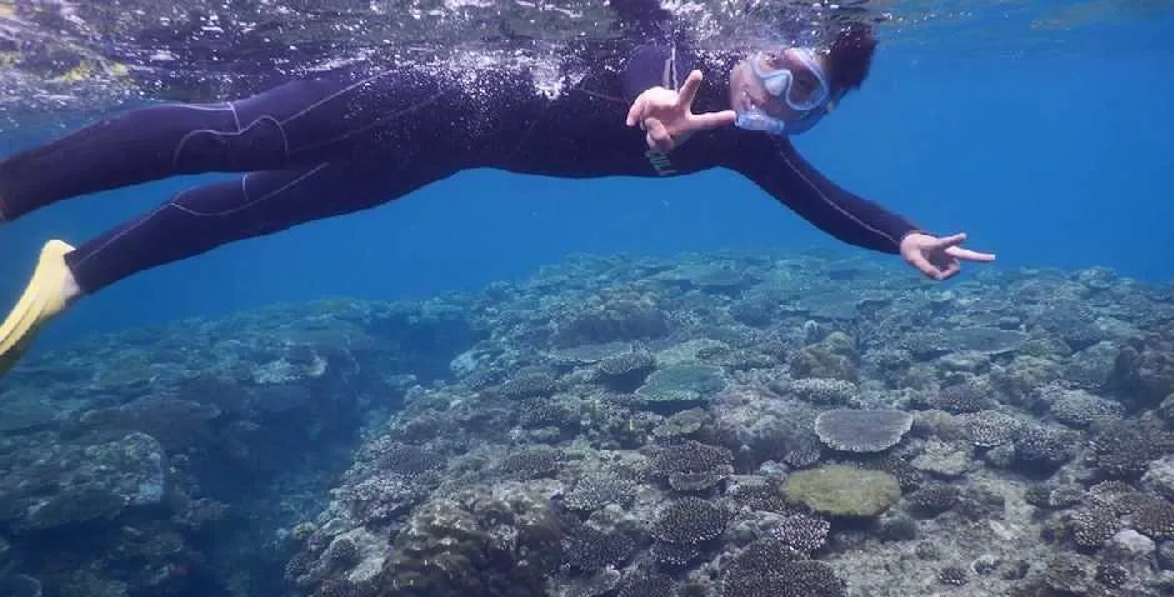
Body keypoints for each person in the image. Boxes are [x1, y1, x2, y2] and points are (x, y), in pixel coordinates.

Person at [0, 0, 994, 376]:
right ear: (751, 34)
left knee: (249, 213)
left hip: (433, 152)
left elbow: (827, 202)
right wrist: (649, 84)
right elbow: (640, 14)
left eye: (799, 93)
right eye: (775, 61)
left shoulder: (742, 144)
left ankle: (74, 273)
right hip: (417, 89)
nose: (767, 90)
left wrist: (899, 236)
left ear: (811, 110)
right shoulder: (678, 49)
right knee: (229, 135)